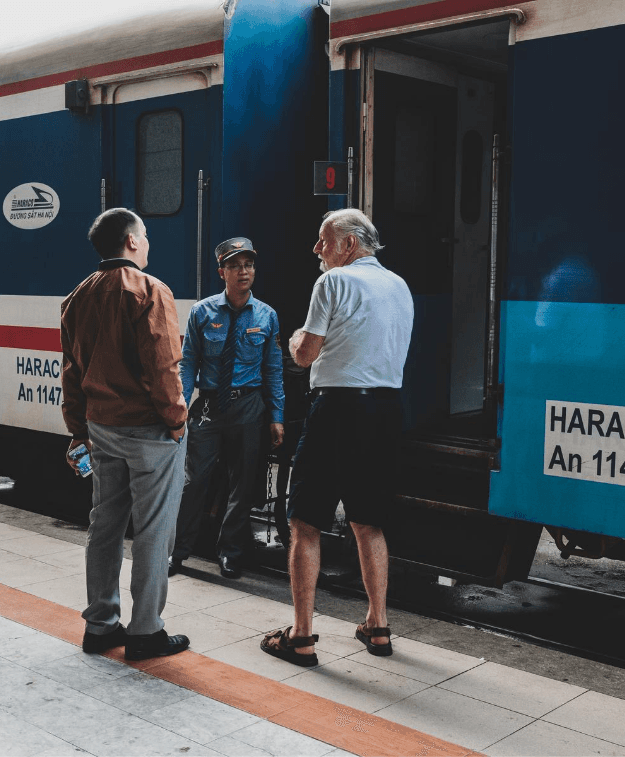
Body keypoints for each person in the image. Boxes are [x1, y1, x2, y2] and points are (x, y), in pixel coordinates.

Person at [261, 209, 413, 666]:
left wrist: (292, 341)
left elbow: (306, 354)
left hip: (337, 408)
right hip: (385, 410)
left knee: (304, 521)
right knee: (368, 520)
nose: (316, 249)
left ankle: (301, 637)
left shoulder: (333, 283)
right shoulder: (400, 286)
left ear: (348, 245)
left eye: (323, 240)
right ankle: (378, 626)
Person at [60, 208, 191, 661]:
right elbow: (163, 367)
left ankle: (100, 625)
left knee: (105, 524)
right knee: (154, 529)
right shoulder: (151, 291)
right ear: (132, 242)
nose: (149, 243)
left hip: (102, 429)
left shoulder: (77, 297)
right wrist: (177, 420)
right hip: (149, 431)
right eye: (146, 235)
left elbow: (71, 372)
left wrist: (79, 429)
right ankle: (145, 631)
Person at [170, 238, 284, 579]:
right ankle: (177, 552)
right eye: (235, 266)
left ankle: (230, 553)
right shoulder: (202, 312)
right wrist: (180, 407)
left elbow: (273, 370)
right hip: (208, 407)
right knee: (194, 481)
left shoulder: (267, 315)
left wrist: (277, 416)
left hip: (249, 406)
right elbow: (188, 363)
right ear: (222, 272)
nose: (244, 271)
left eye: (248, 264)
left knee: (243, 483)